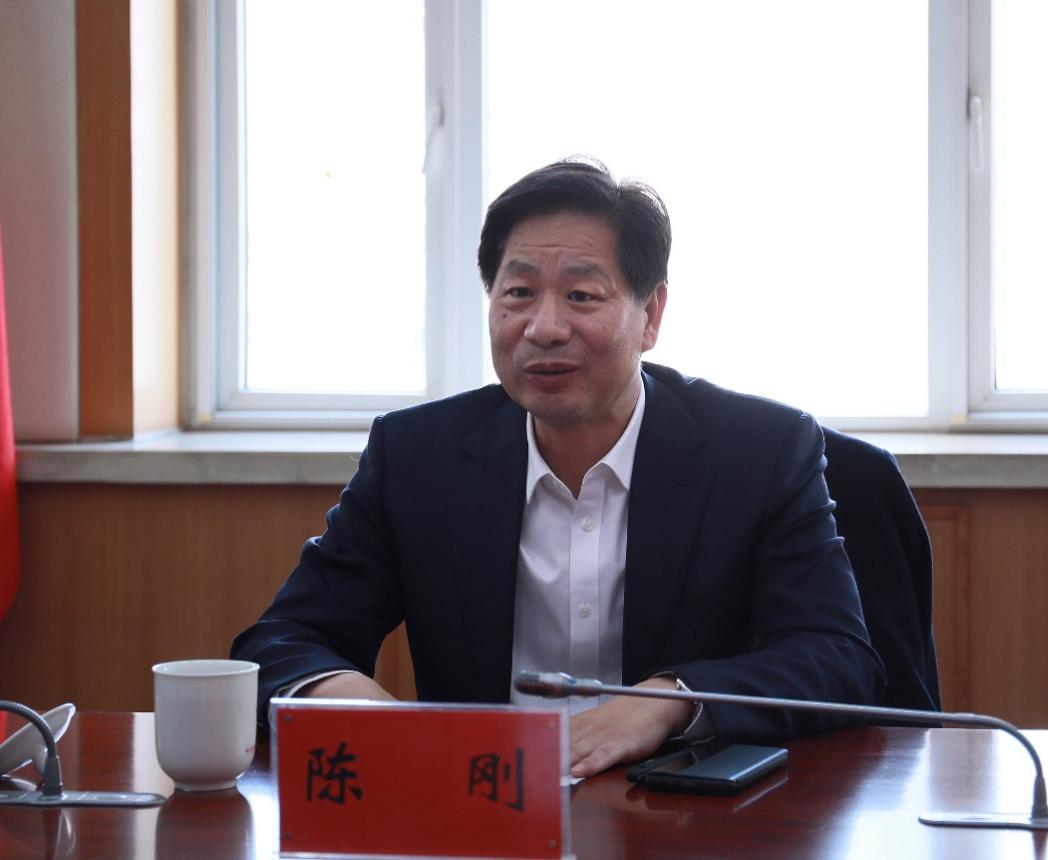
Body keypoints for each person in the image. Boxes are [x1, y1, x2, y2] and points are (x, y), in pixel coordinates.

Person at [231, 158, 885, 777]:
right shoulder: (418, 456)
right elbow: (283, 640)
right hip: (485, 803)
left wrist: (671, 699)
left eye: (581, 295)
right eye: (518, 293)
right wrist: (352, 702)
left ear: (650, 315)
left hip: (682, 809)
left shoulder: (759, 452)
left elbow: (837, 657)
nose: (544, 327)